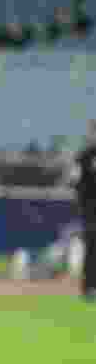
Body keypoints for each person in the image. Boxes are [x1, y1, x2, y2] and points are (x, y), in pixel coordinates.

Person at [75, 119, 96, 301]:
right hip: (91, 209)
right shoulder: (85, 156)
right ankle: (89, 287)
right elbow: (79, 185)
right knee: (91, 247)